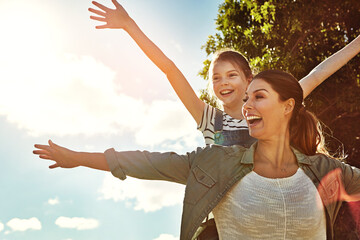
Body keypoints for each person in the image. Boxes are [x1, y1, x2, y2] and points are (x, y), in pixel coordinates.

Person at [33, 70, 360, 240]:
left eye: (259, 97)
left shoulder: (325, 171)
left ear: (288, 107)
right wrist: (78, 157)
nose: (247, 106)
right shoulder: (216, 162)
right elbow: (148, 162)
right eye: (246, 99)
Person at [88, 0, 360, 147]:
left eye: (231, 75)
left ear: (248, 81)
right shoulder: (208, 119)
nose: (223, 82)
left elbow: (317, 74)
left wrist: (357, 44)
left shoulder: (273, 108)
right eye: (216, 78)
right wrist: (130, 25)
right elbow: (169, 69)